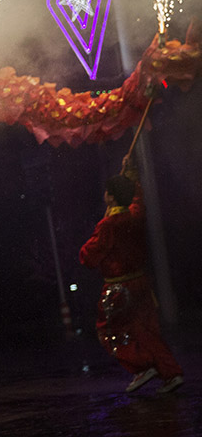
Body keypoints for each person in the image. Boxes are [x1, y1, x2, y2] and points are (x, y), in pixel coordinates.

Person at [79, 159, 184, 394]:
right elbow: (137, 201)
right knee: (146, 331)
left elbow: (87, 257)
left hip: (119, 291)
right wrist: (131, 176)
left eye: (108, 192)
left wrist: (89, 242)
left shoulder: (108, 225)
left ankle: (142, 366)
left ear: (112, 197)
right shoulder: (135, 216)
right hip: (141, 285)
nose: (104, 195)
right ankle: (171, 372)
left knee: (108, 332)